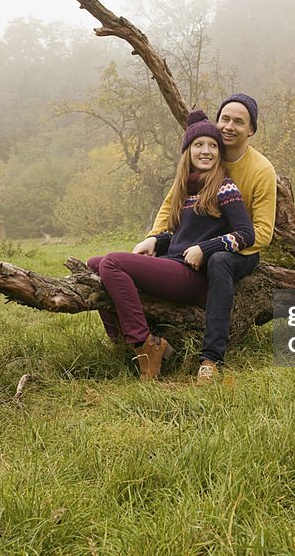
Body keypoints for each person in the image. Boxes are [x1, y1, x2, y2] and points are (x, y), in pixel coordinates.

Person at [87, 109, 255, 381]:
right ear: (187, 151)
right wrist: (156, 240)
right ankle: (119, 341)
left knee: (113, 262)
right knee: (94, 264)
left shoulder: (224, 188)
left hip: (194, 276)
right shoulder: (184, 189)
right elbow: (181, 234)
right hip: (173, 263)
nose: (206, 151)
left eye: (213, 145)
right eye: (199, 145)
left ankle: (144, 344)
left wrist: (207, 248)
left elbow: (246, 233)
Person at [142, 93, 276, 383]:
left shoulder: (261, 170)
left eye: (238, 122)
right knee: (159, 262)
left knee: (218, 262)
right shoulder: (204, 154)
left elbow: (262, 234)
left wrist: (211, 246)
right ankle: (150, 341)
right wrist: (155, 238)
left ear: (251, 129)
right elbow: (171, 205)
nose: (229, 126)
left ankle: (210, 359)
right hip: (197, 243)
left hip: (241, 250)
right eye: (225, 119)